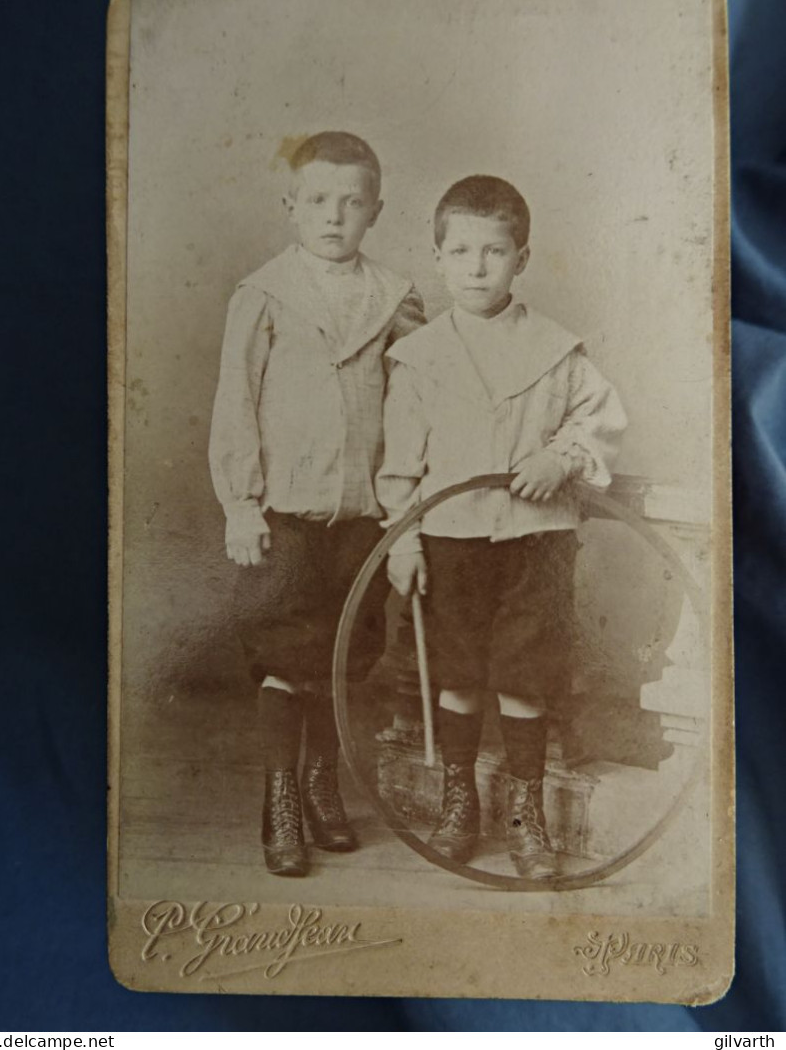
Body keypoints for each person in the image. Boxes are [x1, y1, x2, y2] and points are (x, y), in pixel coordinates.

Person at [376, 175, 626, 877]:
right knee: (456, 674)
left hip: (534, 541)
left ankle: (525, 813)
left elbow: (600, 417)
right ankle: (460, 802)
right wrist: (401, 536)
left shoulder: (556, 348)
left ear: (520, 259)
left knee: (524, 674)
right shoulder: (417, 356)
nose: (476, 266)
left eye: (493, 251)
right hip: (450, 537)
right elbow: (399, 461)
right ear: (438, 257)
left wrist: (560, 456)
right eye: (459, 251)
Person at [209, 131, 424, 877]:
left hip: (361, 516)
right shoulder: (265, 294)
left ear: (375, 211)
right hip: (284, 517)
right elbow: (235, 401)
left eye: (352, 203)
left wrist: (406, 514)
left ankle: (320, 784)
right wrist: (241, 503)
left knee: (342, 657)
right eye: (318, 201)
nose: (334, 217)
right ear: (291, 207)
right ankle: (279, 797)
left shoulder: (394, 297)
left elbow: (417, 401)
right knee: (282, 653)